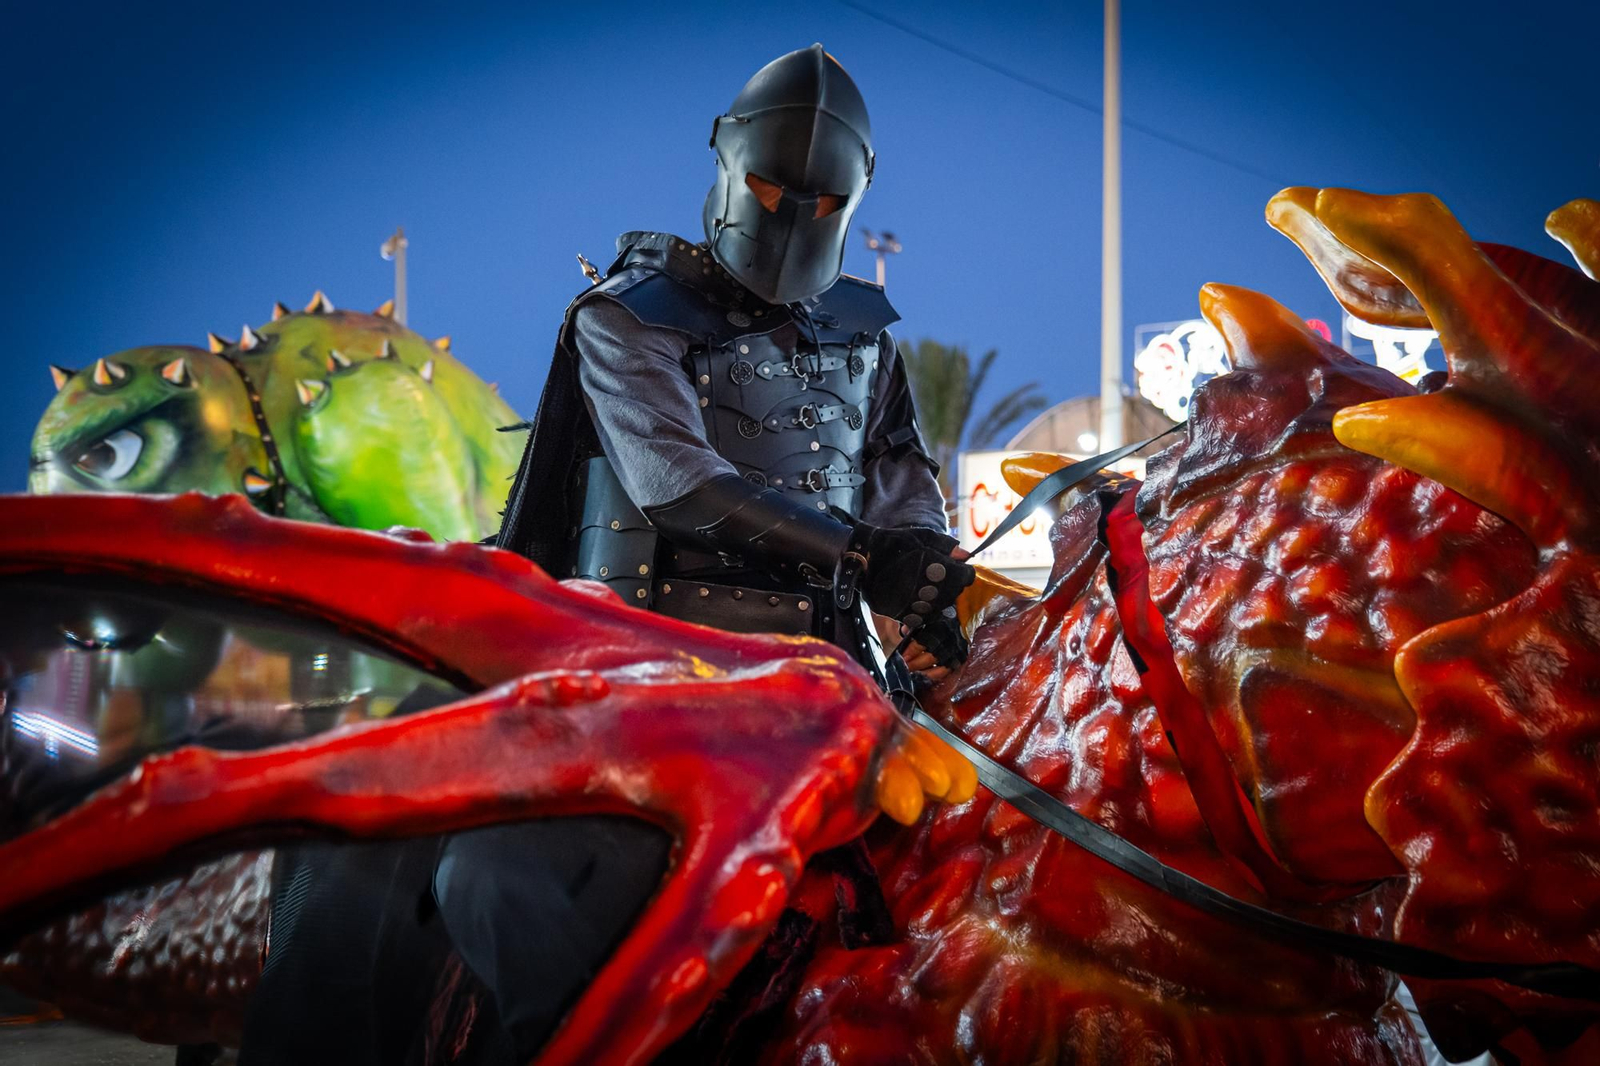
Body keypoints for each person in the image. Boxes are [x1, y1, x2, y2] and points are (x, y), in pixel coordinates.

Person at [498, 42, 974, 678]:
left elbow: (899, 471)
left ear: (854, 193)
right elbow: (679, 485)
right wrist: (861, 552)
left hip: (837, 659)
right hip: (652, 657)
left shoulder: (861, 332)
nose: (794, 213)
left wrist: (927, 596)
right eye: (769, 189)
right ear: (730, 164)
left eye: (824, 200)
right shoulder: (630, 316)